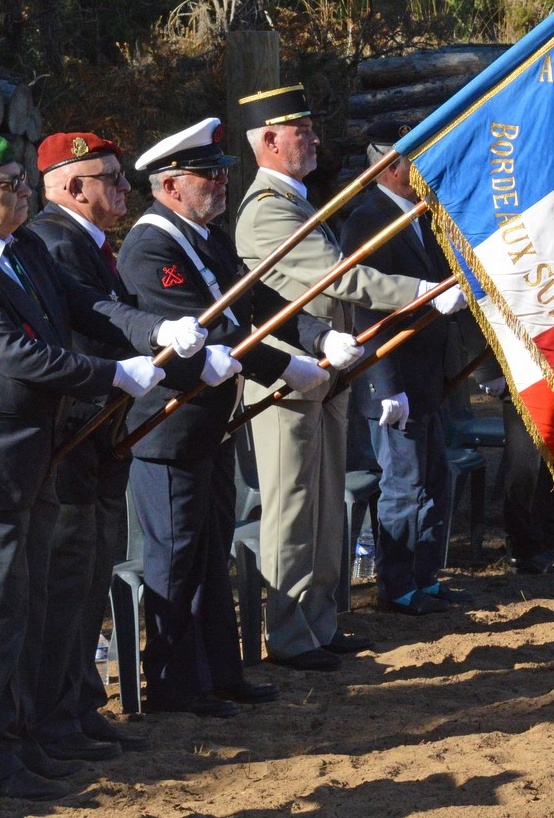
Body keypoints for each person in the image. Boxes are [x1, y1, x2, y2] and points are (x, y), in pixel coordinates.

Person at [0, 136, 170, 801]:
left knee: (30, 612)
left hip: (35, 455)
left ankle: (26, 741)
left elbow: (84, 305)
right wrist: (114, 374)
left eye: (24, 181)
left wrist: (152, 332)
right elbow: (12, 355)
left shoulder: (21, 245)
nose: (27, 192)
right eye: (12, 185)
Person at [235, 84, 462, 670]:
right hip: (288, 379)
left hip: (324, 375)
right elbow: (338, 278)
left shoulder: (297, 201)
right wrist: (421, 291)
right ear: (269, 140)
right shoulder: (266, 210)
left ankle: (319, 622)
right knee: (293, 511)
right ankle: (290, 635)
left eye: (311, 129)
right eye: (302, 132)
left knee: (325, 508)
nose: (314, 140)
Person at [120, 118, 331, 715]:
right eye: (206, 175)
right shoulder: (151, 245)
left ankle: (219, 673)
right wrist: (283, 367)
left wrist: (317, 336)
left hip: (210, 422)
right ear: (169, 185)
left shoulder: (204, 237)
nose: (219, 183)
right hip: (170, 427)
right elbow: (207, 330)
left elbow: (256, 299)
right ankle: (173, 685)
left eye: (220, 173)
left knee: (210, 553)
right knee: (176, 559)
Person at [26, 131, 196, 759]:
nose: (126, 189)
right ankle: (56, 715)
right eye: (113, 179)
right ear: (74, 187)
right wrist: (149, 352)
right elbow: (88, 325)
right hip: (75, 430)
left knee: (93, 573)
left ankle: (78, 703)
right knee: (68, 579)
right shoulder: (53, 241)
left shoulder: (85, 242)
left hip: (103, 430)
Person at [341, 120, 469, 615]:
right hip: (394, 377)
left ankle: (425, 577)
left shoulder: (421, 213)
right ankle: (395, 586)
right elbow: (365, 306)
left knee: (435, 478)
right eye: (416, 160)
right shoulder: (367, 219)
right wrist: (383, 384)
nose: (424, 169)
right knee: (403, 484)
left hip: (430, 374)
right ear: (391, 167)